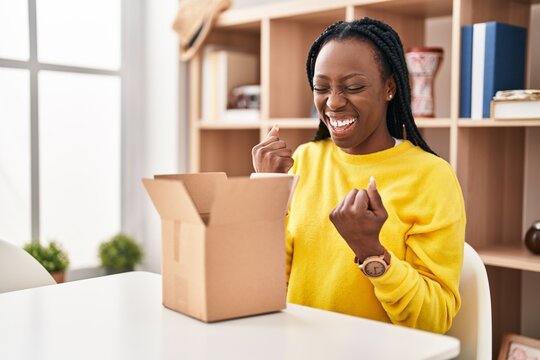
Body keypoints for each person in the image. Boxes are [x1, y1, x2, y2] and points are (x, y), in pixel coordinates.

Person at [252, 17, 465, 334]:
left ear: (389, 88)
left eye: (353, 87)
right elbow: (263, 287)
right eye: (321, 88)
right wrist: (268, 193)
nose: (333, 102)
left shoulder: (432, 177)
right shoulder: (304, 160)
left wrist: (371, 252)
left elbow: (434, 321)